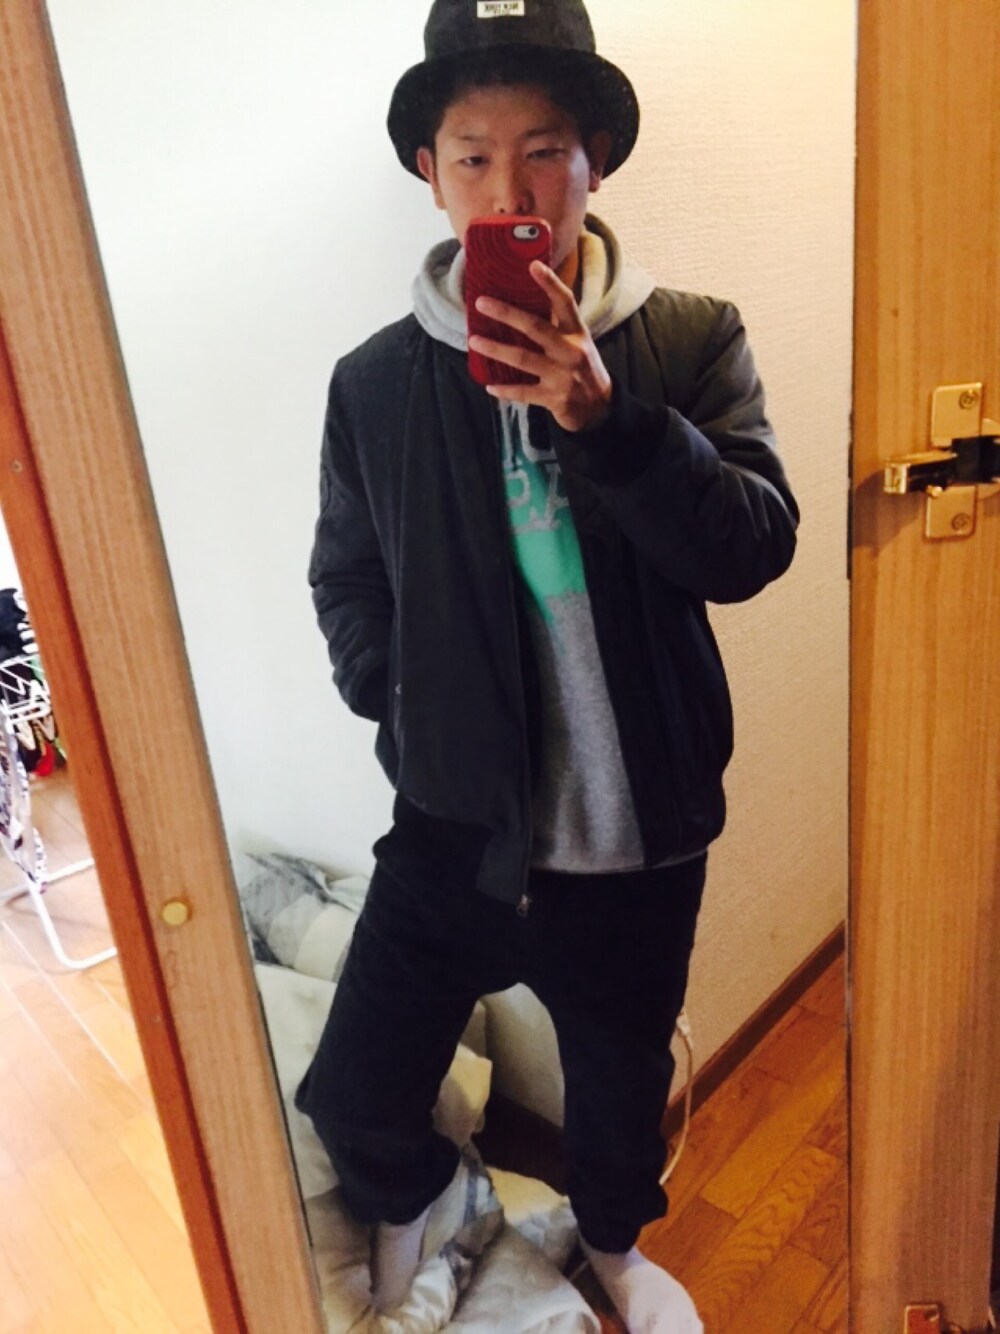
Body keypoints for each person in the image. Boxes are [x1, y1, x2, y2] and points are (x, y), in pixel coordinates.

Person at [296, 1, 799, 1328]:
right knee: (356, 1090)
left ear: (596, 162)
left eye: (543, 153)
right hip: (454, 826)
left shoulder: (689, 337)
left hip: (639, 838)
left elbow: (755, 545)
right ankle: (428, 1195)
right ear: (430, 172)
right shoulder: (374, 386)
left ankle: (615, 1246)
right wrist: (404, 710)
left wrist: (610, 419)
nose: (509, 194)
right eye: (474, 157)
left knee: (619, 1096)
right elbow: (346, 579)